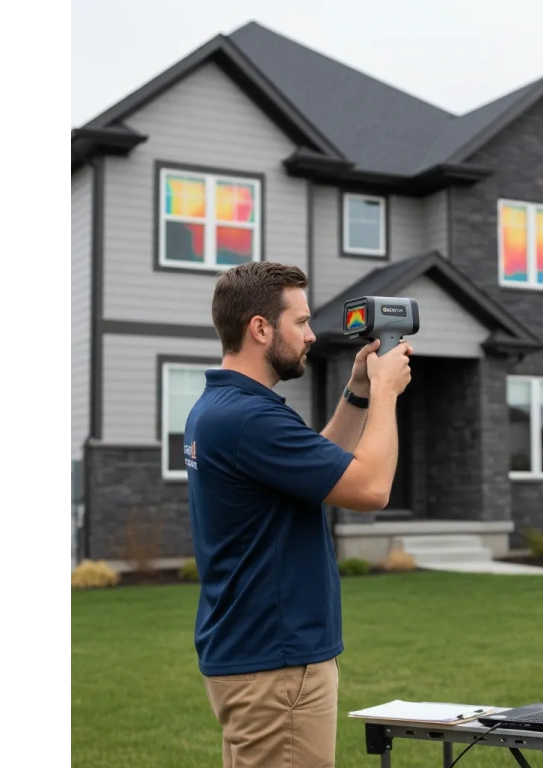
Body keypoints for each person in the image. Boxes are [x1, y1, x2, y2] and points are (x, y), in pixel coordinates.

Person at [183, 261, 413, 768]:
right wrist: (388, 396)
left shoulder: (220, 408)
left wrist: (358, 392)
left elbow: (316, 479)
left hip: (255, 652)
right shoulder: (251, 419)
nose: (311, 335)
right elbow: (371, 488)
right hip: (278, 663)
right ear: (260, 329)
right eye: (301, 322)